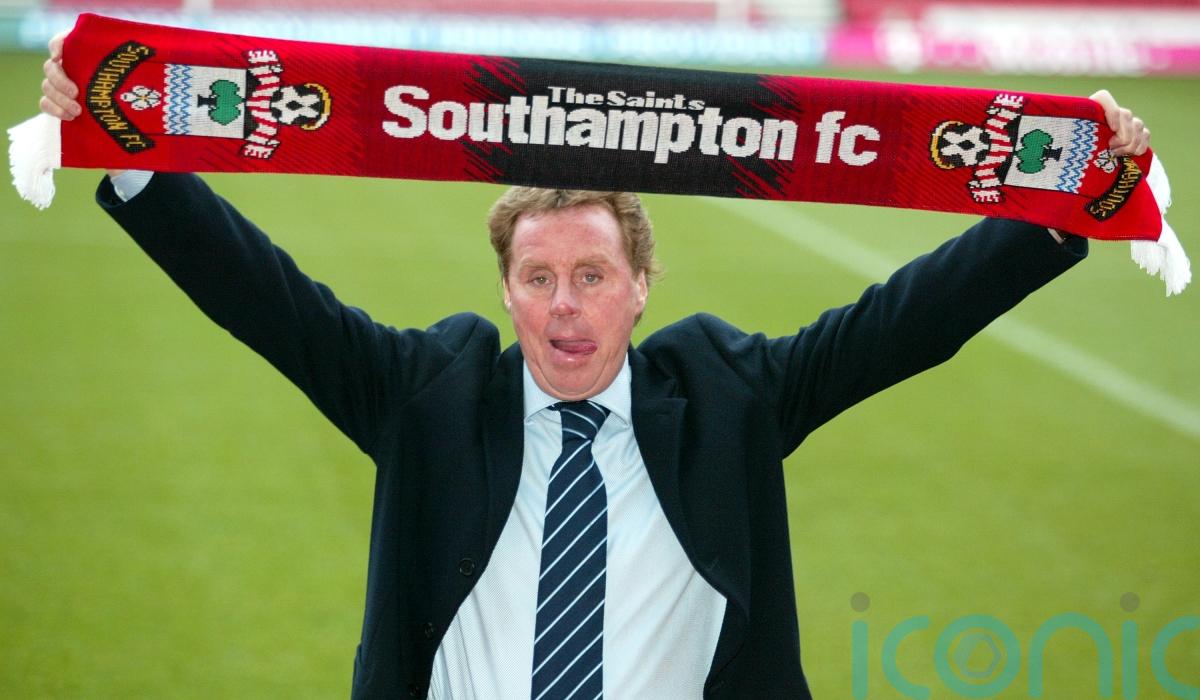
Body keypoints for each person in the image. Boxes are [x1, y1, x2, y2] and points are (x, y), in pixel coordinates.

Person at [39, 31, 1151, 700]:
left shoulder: (728, 397)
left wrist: (1065, 202)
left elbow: (901, 323)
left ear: (642, 284)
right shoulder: (428, 397)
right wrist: (131, 150)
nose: (565, 306)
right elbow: (267, 300)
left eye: (592, 274)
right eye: (538, 277)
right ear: (504, 290)